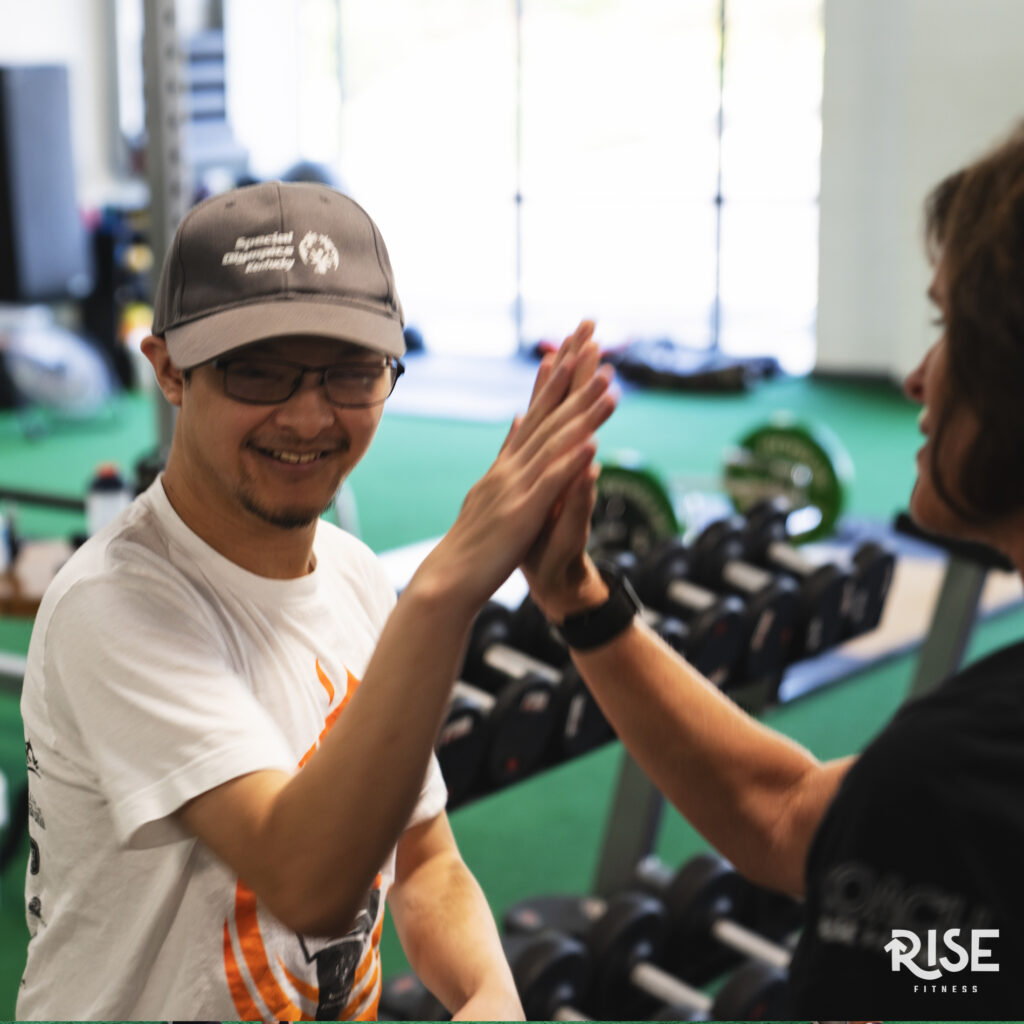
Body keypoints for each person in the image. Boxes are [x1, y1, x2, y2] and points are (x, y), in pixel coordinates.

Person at [17, 180, 615, 1021]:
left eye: (350, 374)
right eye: (256, 372)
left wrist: (489, 994)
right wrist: (447, 588)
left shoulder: (356, 576)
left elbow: (423, 856)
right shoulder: (112, 607)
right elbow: (305, 879)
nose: (307, 416)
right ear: (169, 371)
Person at [520, 122, 1024, 1019]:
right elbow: (789, 814)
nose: (916, 377)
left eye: (948, 328)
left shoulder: (955, 779)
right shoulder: (936, 792)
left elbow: (948, 959)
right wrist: (576, 596)